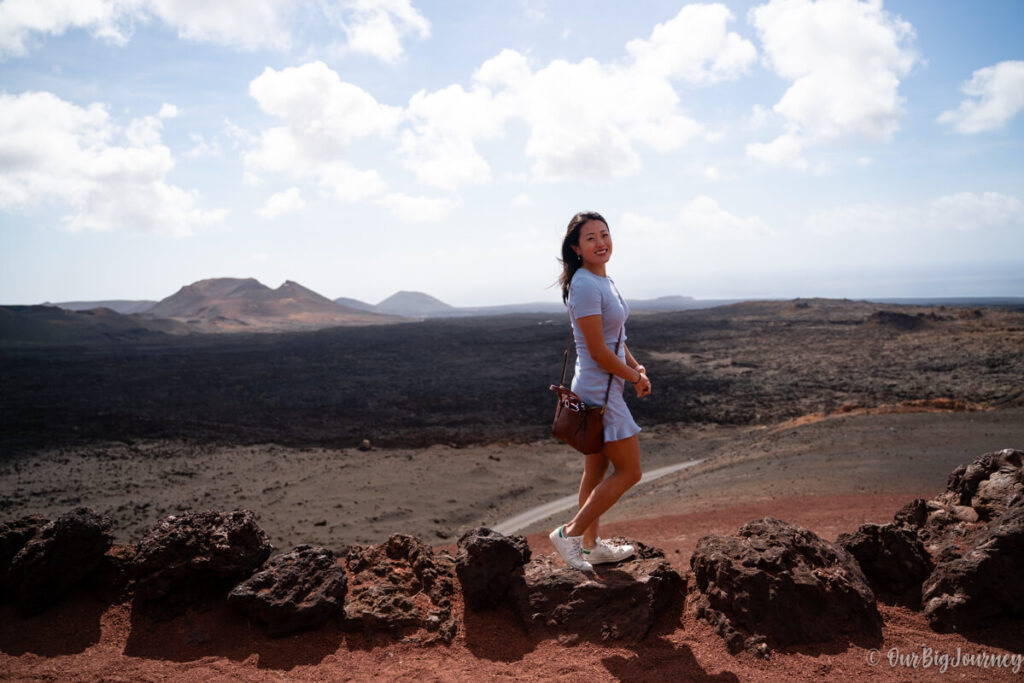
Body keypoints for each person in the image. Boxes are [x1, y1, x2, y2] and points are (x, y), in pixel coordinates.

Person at [549, 211, 652, 572]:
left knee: (596, 470)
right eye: (590, 237)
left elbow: (616, 339)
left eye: (604, 234)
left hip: (605, 387)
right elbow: (597, 351)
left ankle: (590, 547)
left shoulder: (603, 280)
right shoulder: (584, 285)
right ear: (576, 247)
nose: (600, 242)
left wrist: (636, 368)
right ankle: (570, 533)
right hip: (599, 392)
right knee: (631, 471)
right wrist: (633, 378)